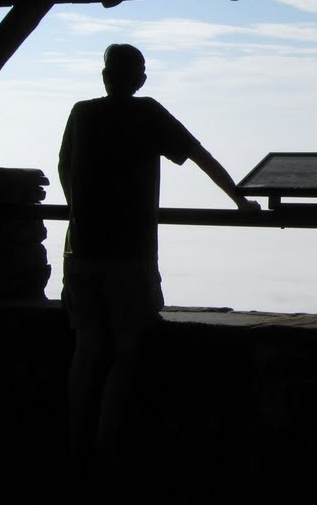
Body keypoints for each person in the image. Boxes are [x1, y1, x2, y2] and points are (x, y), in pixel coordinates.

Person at [58, 43, 260, 480]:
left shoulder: (82, 112)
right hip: (128, 255)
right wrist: (241, 202)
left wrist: (79, 209)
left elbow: (64, 166)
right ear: (139, 78)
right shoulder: (147, 113)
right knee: (126, 351)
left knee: (86, 349)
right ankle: (104, 449)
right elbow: (200, 156)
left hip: (80, 251)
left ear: (104, 75)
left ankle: (75, 447)